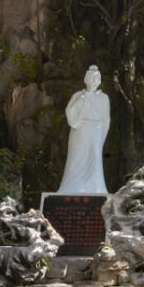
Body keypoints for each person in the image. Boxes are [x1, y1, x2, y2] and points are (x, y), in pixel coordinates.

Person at [57, 65, 110, 194]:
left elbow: (106, 120)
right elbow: (70, 113)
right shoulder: (78, 95)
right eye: (90, 78)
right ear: (86, 79)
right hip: (79, 131)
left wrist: (101, 137)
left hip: (96, 132)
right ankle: (70, 187)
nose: (93, 81)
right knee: (75, 160)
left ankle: (96, 188)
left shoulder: (104, 98)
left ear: (99, 81)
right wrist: (81, 100)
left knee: (95, 162)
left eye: (96, 78)